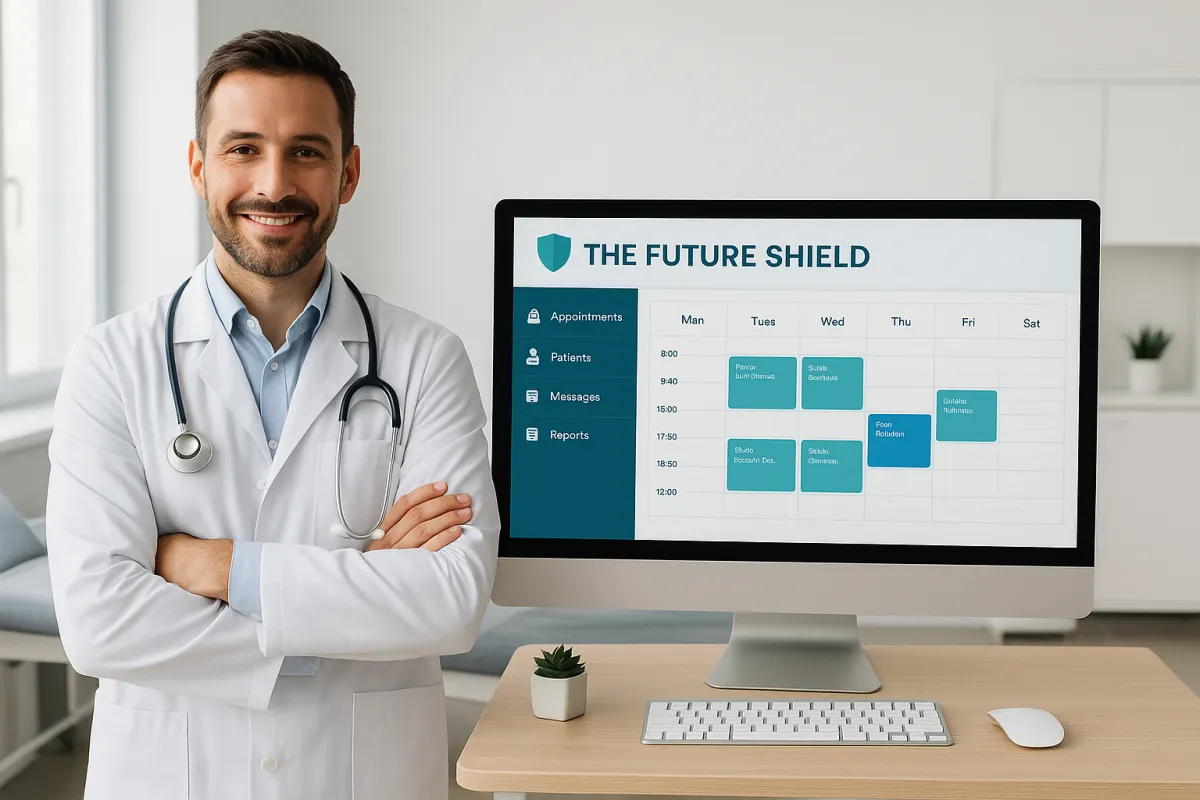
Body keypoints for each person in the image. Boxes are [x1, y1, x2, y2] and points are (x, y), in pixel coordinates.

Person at [44, 29, 498, 800]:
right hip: (171, 774)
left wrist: (218, 567)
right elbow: (98, 621)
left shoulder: (426, 360)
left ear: (348, 172)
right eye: (243, 148)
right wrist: (351, 604)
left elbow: (451, 603)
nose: (274, 182)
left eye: (307, 152)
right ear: (198, 166)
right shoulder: (112, 363)